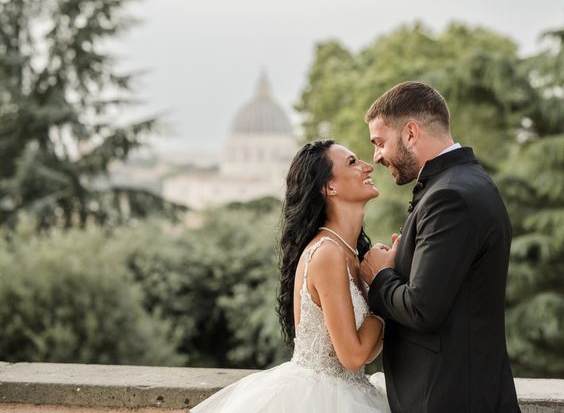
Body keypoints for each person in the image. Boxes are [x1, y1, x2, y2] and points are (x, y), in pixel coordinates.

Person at [191, 139, 390, 413]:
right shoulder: (326, 254)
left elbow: (368, 351)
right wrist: (383, 283)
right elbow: (354, 356)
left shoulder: (352, 254)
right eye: (353, 162)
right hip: (317, 400)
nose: (368, 167)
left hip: (354, 393)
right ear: (328, 187)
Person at [360, 81, 521, 412]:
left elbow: (422, 309)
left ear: (410, 133)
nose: (376, 157)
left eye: (379, 142)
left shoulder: (449, 197)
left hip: (448, 398)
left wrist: (380, 275)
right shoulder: (463, 182)